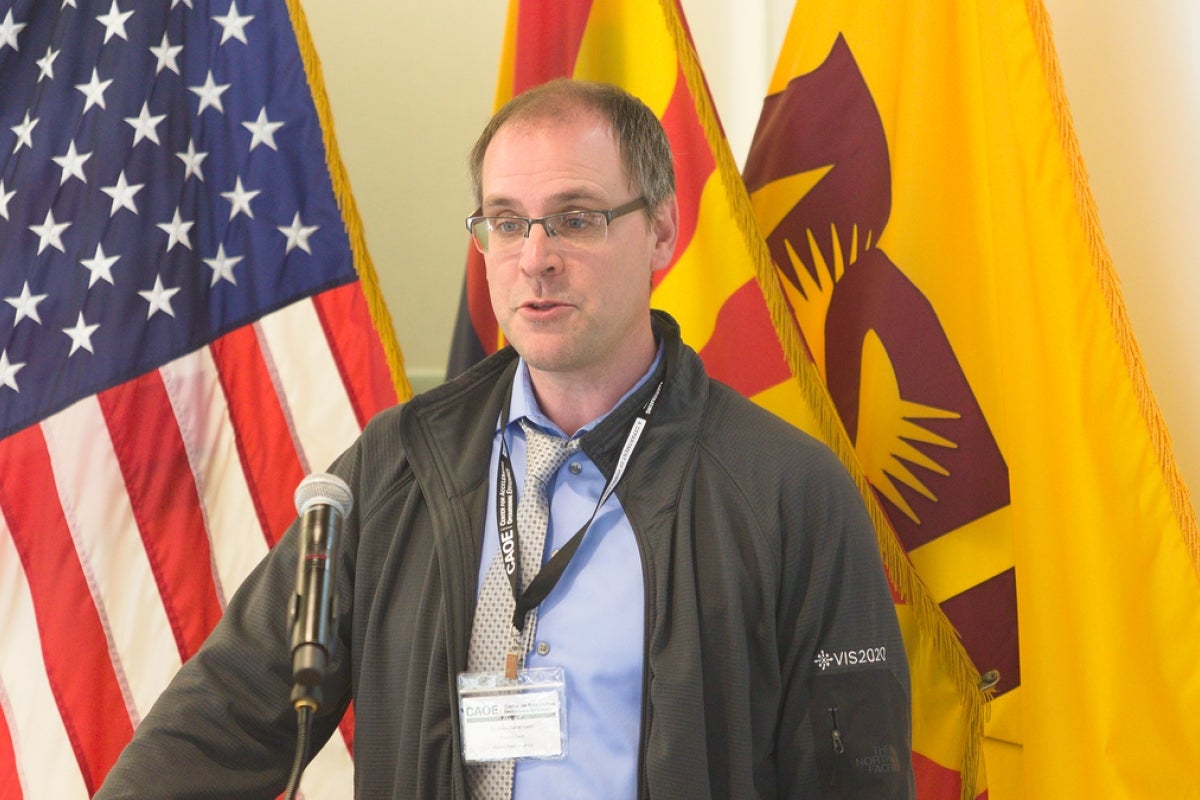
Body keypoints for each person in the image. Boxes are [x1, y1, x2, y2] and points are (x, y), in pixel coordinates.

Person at [96, 78, 914, 799]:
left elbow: (854, 777)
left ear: (662, 232)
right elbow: (228, 711)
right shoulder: (398, 464)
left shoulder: (786, 490)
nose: (535, 259)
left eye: (576, 219)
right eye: (505, 222)